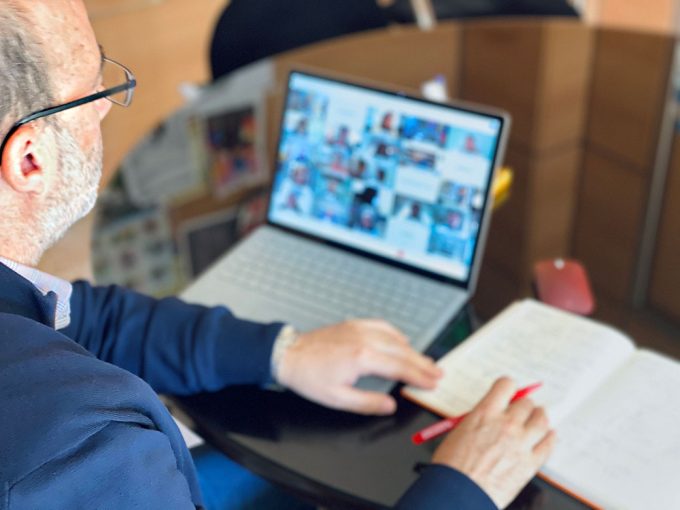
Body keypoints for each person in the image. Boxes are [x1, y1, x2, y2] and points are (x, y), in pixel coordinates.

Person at [0, 2, 555, 509]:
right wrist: (464, 486)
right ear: (29, 159)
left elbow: (93, 321)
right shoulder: (83, 451)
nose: (105, 109)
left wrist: (284, 352)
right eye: (92, 93)